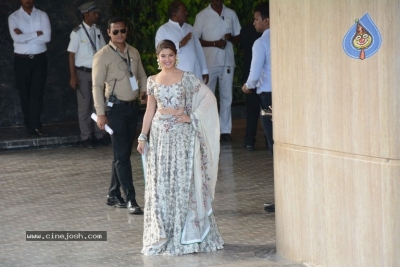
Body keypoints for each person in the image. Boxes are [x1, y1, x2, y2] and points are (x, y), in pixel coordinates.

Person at [137, 40, 224, 255]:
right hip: (159, 139)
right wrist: (142, 136)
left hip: (182, 137)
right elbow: (149, 111)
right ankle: (163, 232)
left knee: (183, 181)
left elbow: (209, 97)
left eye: (170, 55)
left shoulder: (187, 78)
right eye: (163, 56)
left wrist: (192, 117)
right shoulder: (152, 81)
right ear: (157, 58)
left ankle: (187, 235)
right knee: (162, 185)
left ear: (176, 56)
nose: (167, 59)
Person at [92, 17, 147, 215]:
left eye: (122, 31)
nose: (119, 35)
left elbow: (141, 75)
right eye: (115, 32)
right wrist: (100, 113)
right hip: (115, 110)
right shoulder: (102, 55)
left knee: (121, 154)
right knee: (123, 156)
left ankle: (113, 193)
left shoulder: (133, 52)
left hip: (132, 108)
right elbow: (97, 86)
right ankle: (131, 198)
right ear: (108, 33)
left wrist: (144, 91)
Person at [241, 2, 275, 212]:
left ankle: (282, 198)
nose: (254, 22)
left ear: (267, 21)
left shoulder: (261, 43)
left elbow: (254, 76)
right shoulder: (284, 38)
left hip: (268, 98)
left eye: (256, 19)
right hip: (286, 96)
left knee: (275, 147)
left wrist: (247, 86)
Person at [193, 0, 241, 142]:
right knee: (208, 97)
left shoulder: (231, 13)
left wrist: (230, 38)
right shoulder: (202, 16)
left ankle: (225, 131)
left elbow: (239, 36)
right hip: (209, 63)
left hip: (227, 62)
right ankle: (208, 130)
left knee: (227, 97)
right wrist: (214, 43)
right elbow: (195, 39)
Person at [8, 0, 51, 136]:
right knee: (24, 94)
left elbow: (47, 37)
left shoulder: (42, 15)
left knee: (37, 93)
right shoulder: (14, 17)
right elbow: (16, 37)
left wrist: (24, 36)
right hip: (22, 61)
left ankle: (37, 125)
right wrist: (36, 34)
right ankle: (29, 126)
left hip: (39, 60)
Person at [67, 1, 107, 148]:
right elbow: (71, 55)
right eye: (94, 13)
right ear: (85, 15)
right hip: (82, 73)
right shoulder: (77, 32)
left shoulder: (97, 30)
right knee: (84, 106)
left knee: (98, 105)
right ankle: (86, 137)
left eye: (97, 13)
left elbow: (104, 51)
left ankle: (99, 134)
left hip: (97, 73)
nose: (97, 15)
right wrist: (73, 76)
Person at [155, 0, 209, 84]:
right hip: (176, 80)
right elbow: (160, 52)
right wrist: (179, 44)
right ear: (174, 13)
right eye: (183, 11)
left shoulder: (190, 28)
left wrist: (204, 71)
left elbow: (199, 50)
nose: (186, 13)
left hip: (195, 76)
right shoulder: (163, 30)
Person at [240, 21, 263, 151]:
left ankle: (249, 140)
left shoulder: (246, 29)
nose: (254, 22)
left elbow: (243, 49)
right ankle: (269, 140)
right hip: (264, 79)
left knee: (252, 109)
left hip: (249, 73)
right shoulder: (264, 39)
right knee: (269, 110)